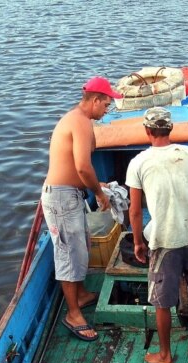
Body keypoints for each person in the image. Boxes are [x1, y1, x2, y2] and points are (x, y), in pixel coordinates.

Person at [127, 107, 188, 363]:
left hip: (164, 241)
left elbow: (135, 211)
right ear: (170, 129)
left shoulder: (138, 162)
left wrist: (137, 242)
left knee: (162, 302)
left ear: (147, 131)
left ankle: (165, 355)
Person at [41, 76, 124, 342]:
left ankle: (81, 293)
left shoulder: (79, 120)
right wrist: (99, 193)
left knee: (81, 246)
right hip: (61, 198)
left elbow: (77, 169)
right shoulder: (79, 122)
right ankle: (73, 313)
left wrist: (93, 184)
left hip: (69, 193)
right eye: (107, 104)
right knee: (68, 252)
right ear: (96, 100)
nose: (107, 110)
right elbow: (82, 166)